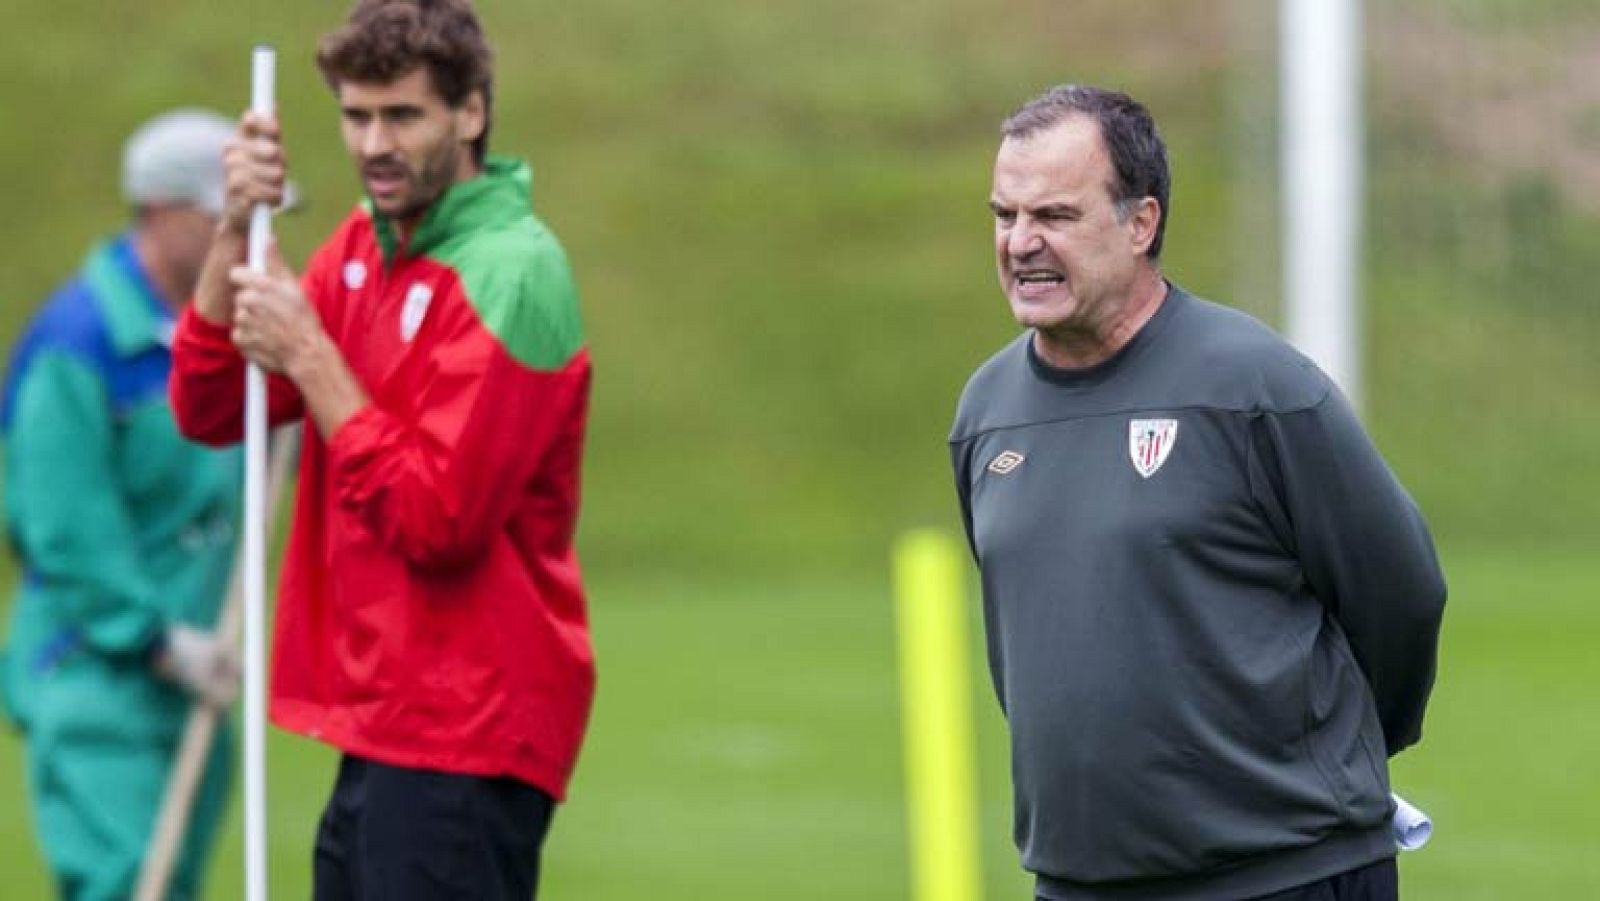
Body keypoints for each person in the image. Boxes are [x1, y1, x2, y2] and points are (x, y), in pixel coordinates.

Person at [949, 84, 1447, 901]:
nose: (1021, 242)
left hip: (1285, 873)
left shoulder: (1256, 387)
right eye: (1005, 216)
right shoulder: (986, 415)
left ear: (1141, 222)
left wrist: (1332, 758)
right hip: (1082, 881)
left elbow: (1402, 595)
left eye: (1056, 216)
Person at [168, 1, 594, 897]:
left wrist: (311, 353)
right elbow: (211, 406)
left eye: (402, 115)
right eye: (356, 116)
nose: (372, 144)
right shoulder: (363, 247)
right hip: (381, 723)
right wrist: (230, 227)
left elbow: (439, 517)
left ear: (470, 112)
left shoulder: (512, 271)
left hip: (466, 729)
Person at [0, 109, 244, 901]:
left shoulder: (221, 333)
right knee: (126, 882)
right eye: (224, 218)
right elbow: (61, 523)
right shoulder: (81, 341)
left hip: (195, 675)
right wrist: (154, 638)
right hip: (99, 677)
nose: (242, 237)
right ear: (162, 211)